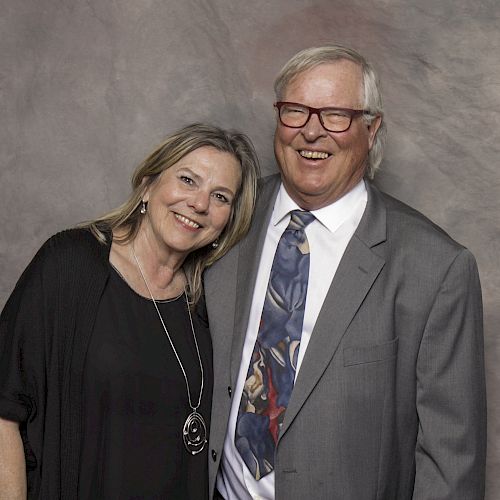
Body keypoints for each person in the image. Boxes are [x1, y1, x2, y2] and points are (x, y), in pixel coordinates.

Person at [204, 45, 486, 499]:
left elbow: (451, 463)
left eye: (336, 115)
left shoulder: (436, 268)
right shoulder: (227, 215)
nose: (312, 132)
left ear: (371, 130)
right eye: (295, 111)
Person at [0, 123, 260, 499]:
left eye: (220, 197)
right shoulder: (71, 264)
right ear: (148, 184)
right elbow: (5, 409)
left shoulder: (212, 301)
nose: (200, 204)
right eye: (187, 180)